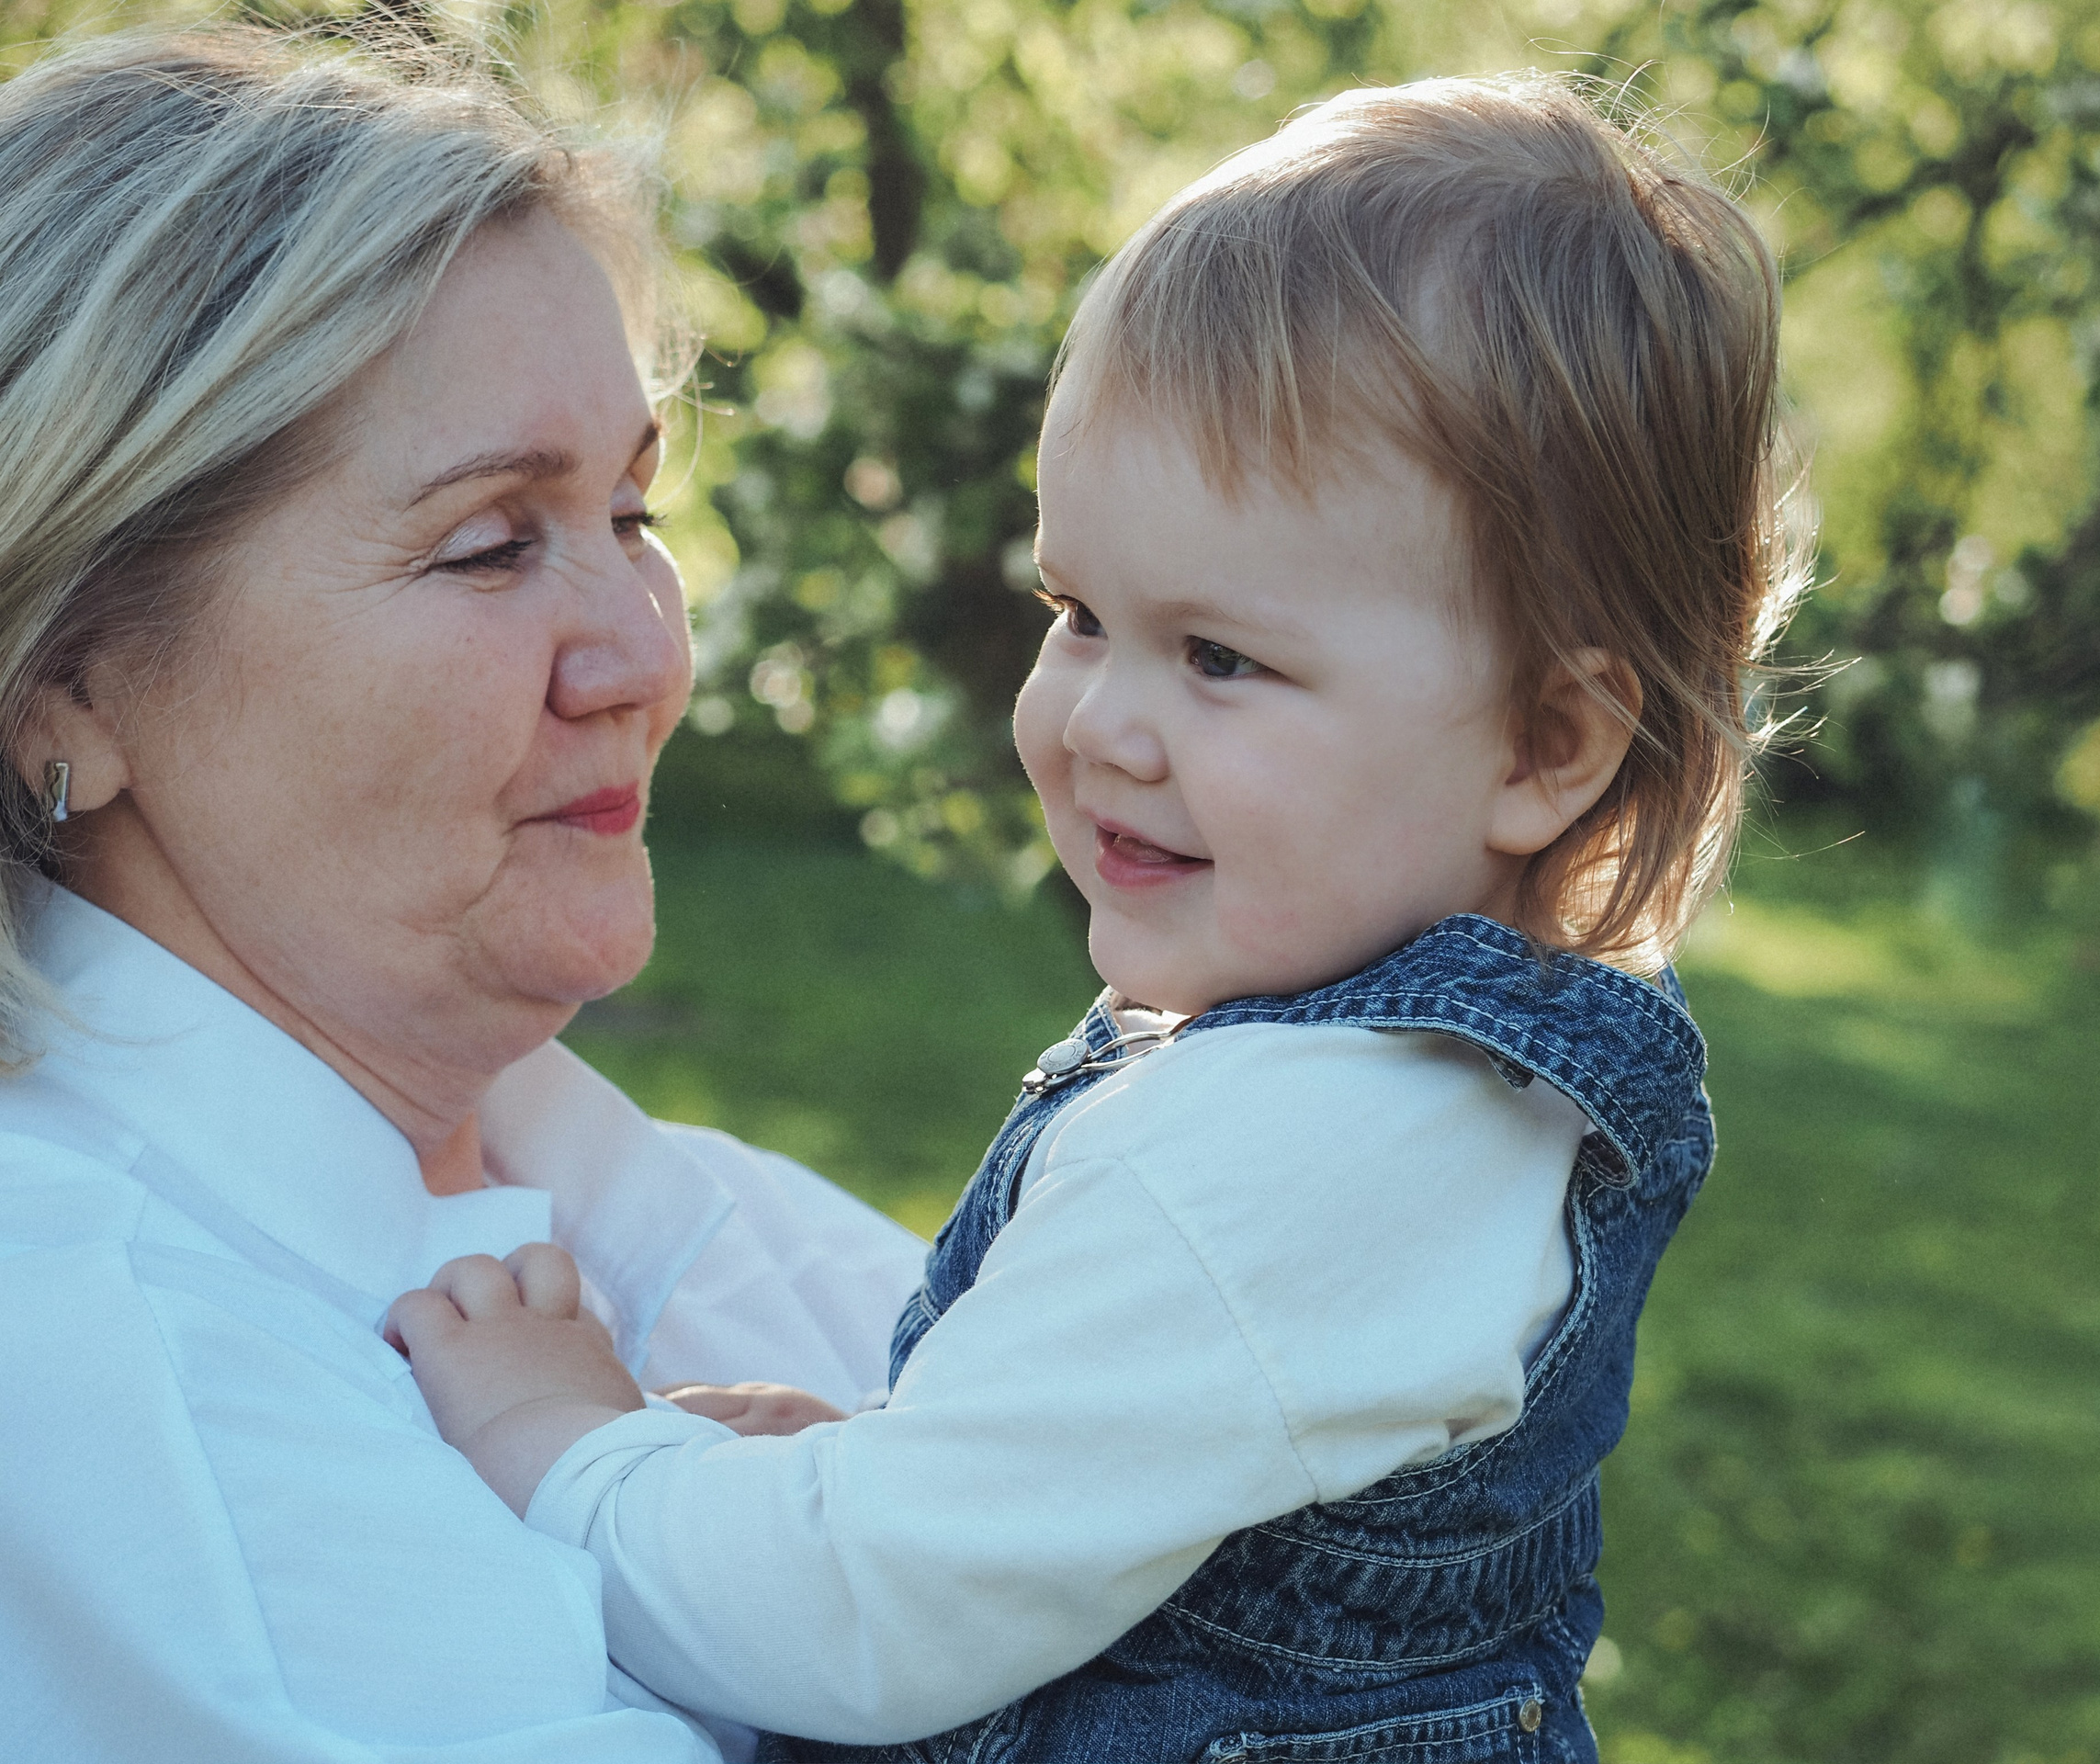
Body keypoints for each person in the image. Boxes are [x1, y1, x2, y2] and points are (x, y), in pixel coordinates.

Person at [398, 74, 1804, 1764]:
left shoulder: (1291, 1145)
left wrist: (569, 1442)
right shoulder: (1423, 1102)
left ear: (1545, 744)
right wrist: (880, 1467)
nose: (1098, 727)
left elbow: (855, 1629)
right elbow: (1161, 1523)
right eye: (1077, 614)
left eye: (1221, 657)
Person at [0, 28, 923, 1763]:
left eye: (633, 514)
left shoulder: (709, 1224)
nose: (644, 655)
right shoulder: (88, 1377)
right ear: (71, 686)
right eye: (491, 544)